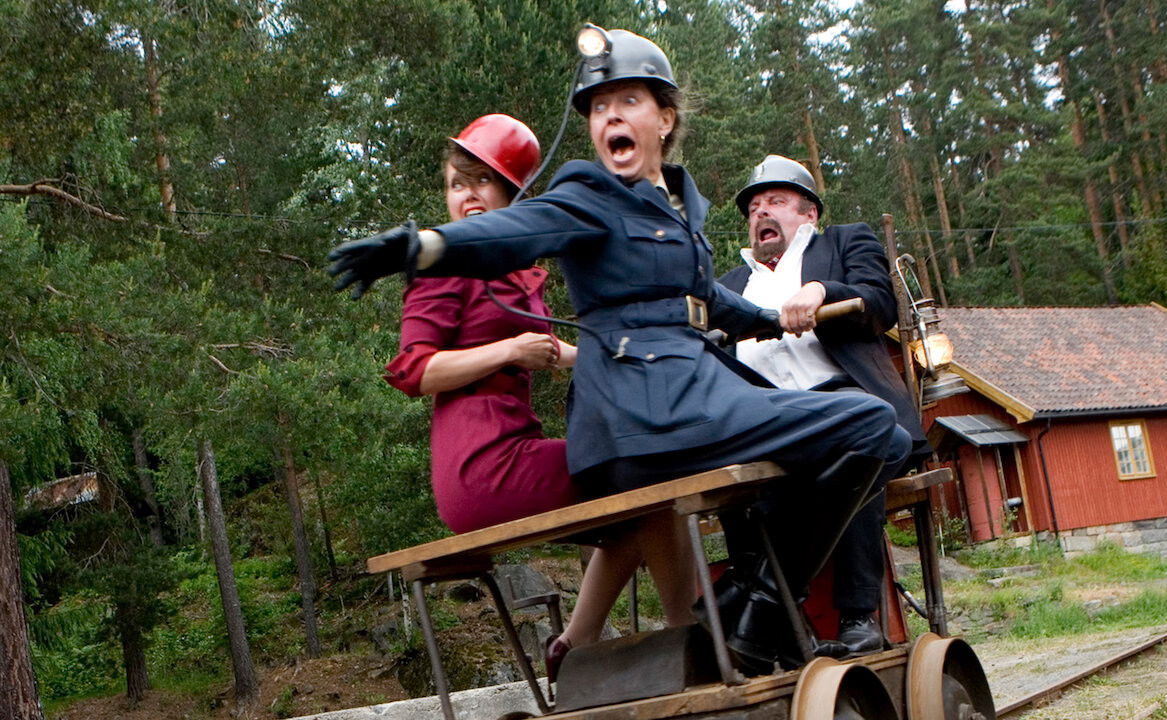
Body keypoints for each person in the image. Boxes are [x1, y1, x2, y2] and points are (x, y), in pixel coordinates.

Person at [328, 28, 912, 673]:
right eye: (599, 107)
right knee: (865, 424)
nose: (610, 115)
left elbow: (709, 304)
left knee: (877, 434)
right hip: (645, 414)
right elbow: (511, 231)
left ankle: (755, 613)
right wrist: (421, 247)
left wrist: (774, 318)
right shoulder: (587, 196)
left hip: (695, 391)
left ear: (664, 119)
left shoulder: (678, 205)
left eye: (627, 100)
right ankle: (758, 612)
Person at [381, 113, 695, 679]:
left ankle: (575, 647)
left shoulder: (517, 268)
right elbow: (415, 370)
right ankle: (689, 635)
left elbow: (553, 349)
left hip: (515, 443)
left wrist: (643, 346)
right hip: (480, 462)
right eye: (457, 183)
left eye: (481, 180)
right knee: (646, 474)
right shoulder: (446, 265)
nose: (467, 195)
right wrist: (507, 353)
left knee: (637, 493)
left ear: (513, 192)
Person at [719, 155, 930, 657]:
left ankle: (856, 614)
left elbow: (877, 303)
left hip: (844, 399)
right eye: (753, 206)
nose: (760, 212)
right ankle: (789, 632)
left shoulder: (843, 244)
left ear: (809, 214)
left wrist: (819, 290)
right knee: (733, 475)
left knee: (861, 441)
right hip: (770, 420)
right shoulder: (728, 286)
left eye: (774, 201)